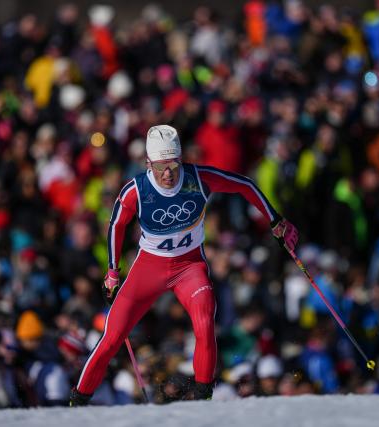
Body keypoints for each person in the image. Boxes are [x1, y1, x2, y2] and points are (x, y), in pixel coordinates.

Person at [67, 124, 298, 405]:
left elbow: (245, 185)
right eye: (161, 166)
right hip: (149, 269)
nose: (168, 173)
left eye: (174, 165)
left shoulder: (197, 179)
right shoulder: (136, 190)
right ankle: (76, 403)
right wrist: (112, 272)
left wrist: (275, 220)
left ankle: (203, 399)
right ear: (149, 163)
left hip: (189, 267)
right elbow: (116, 224)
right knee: (112, 337)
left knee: (204, 322)